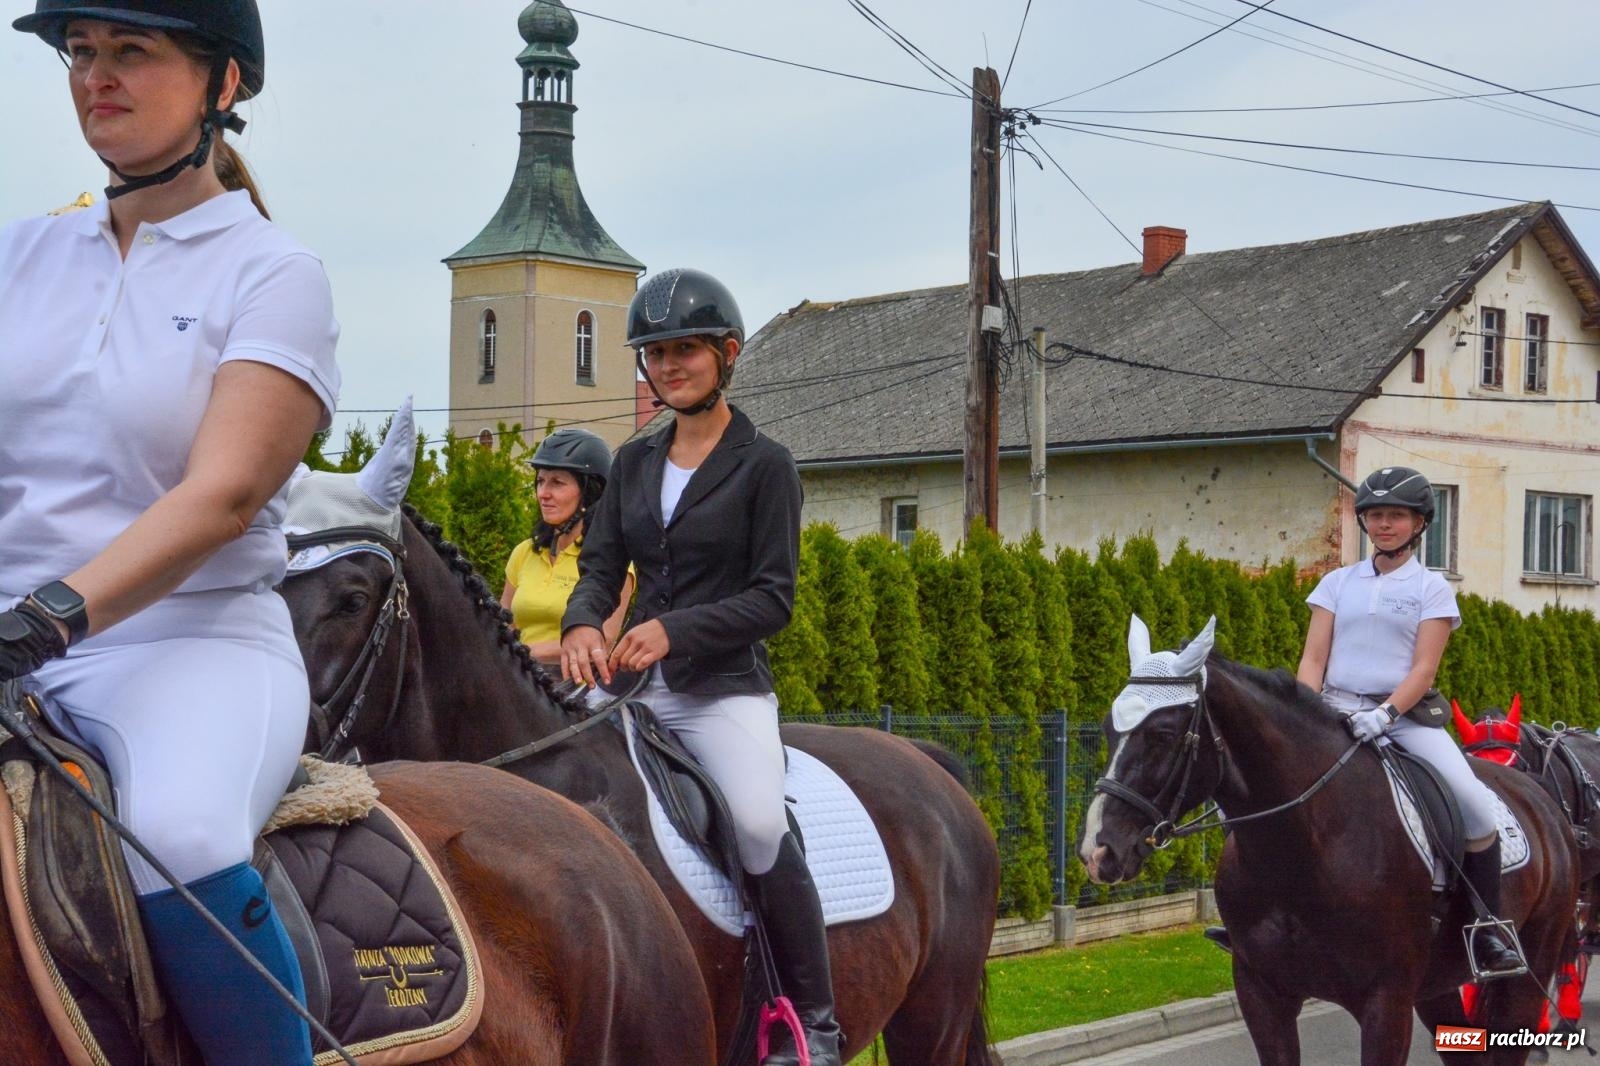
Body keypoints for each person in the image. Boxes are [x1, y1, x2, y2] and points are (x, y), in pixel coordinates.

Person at [0, 2, 339, 1061]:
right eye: (81, 52)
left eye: (131, 52)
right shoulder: (20, 255)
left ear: (224, 86)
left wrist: (49, 617)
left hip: (186, 647)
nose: (95, 75)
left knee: (182, 838)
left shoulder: (275, 273)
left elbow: (224, 494)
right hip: (10, 639)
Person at [559, 268, 840, 1066]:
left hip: (721, 693)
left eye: (684, 350)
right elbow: (602, 568)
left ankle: (812, 1021)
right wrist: (583, 624)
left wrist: (676, 632)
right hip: (631, 691)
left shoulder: (766, 465)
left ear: (727, 354)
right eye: (654, 353)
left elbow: (773, 599)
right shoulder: (634, 463)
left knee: (756, 822)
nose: (667, 366)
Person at [1302, 466, 1521, 975]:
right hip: (1332, 708)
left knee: (1474, 807)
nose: (1384, 525)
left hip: (1403, 717)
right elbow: (1313, 659)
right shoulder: (1336, 583)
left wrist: (1384, 715)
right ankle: (1258, 913)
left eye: (1396, 516)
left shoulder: (1432, 589)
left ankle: (1485, 929)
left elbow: (1423, 669)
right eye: (1376, 515)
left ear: (1419, 523)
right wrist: (1305, 711)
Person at [500, 428, 633, 663]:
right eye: (540, 481)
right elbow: (503, 624)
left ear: (590, 492)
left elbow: (605, 640)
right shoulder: (524, 552)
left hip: (579, 686)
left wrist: (520, 654)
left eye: (557, 483)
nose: (543, 493)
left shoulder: (615, 558)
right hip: (522, 681)